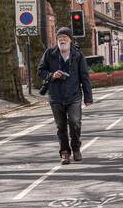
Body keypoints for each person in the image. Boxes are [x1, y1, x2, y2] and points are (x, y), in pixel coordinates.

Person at [38, 26, 93, 164]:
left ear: (70, 40)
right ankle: (64, 152)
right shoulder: (50, 53)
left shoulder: (78, 55)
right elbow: (40, 71)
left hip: (74, 96)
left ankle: (76, 148)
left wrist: (88, 97)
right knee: (61, 126)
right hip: (56, 96)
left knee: (75, 122)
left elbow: (84, 76)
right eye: (59, 38)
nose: (62, 40)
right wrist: (51, 75)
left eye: (65, 37)